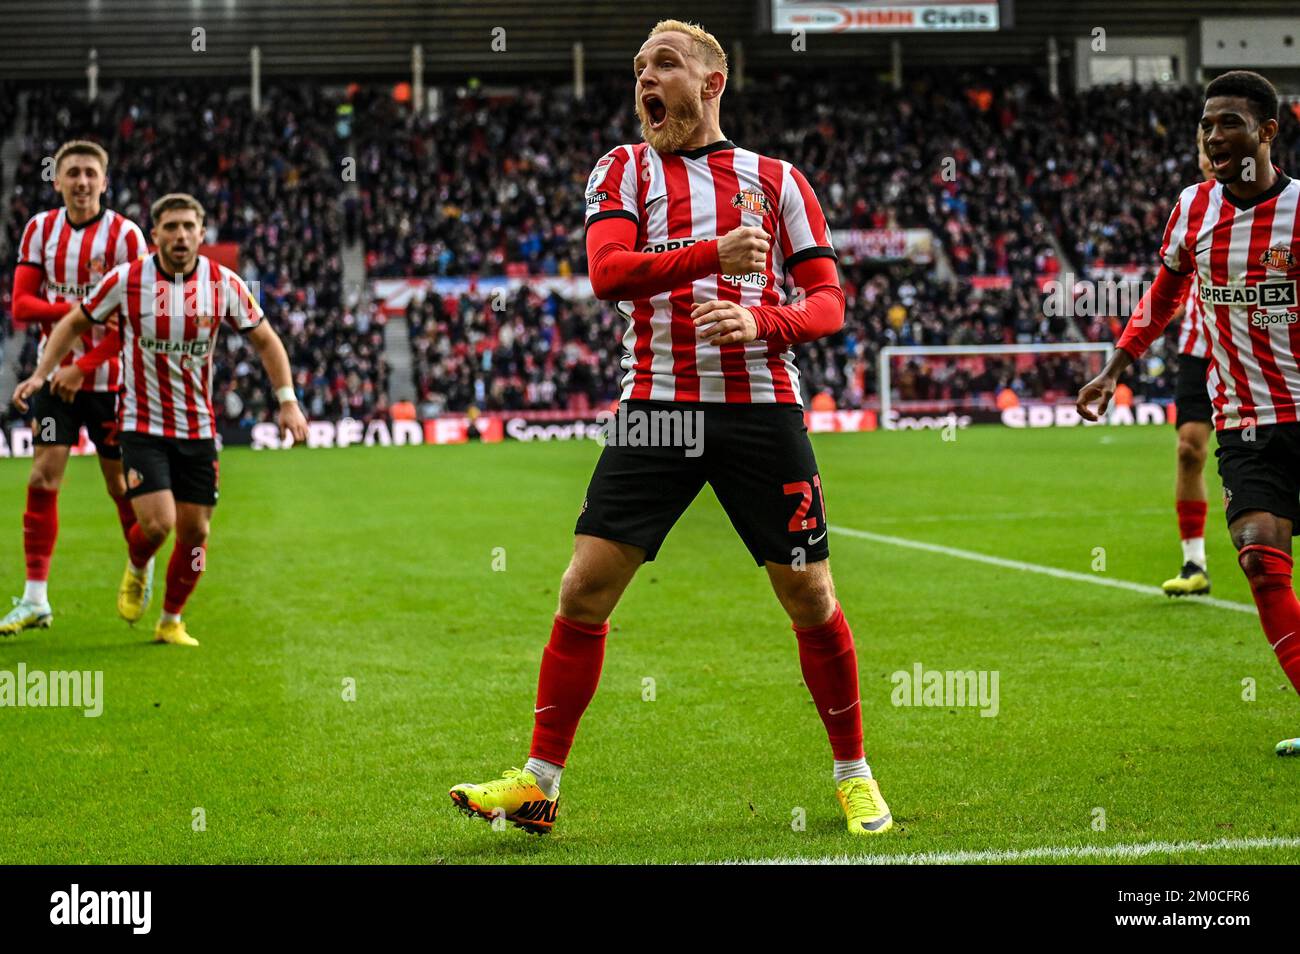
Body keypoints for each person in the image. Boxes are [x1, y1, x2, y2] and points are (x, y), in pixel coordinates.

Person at [450, 20, 892, 835]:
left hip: (763, 412)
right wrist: (709, 253)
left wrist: (766, 325)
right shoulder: (622, 168)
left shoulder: (780, 180)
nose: (644, 81)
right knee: (584, 588)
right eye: (638, 70)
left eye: (664, 65)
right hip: (656, 407)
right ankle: (540, 783)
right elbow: (607, 272)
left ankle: (853, 771)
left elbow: (829, 302)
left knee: (809, 594)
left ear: (712, 82)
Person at [1077, 71, 1300, 756]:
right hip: (1247, 423)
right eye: (1206, 124)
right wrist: (1115, 365)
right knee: (1261, 560)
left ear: (1267, 131)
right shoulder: (1193, 208)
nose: (1212, 135)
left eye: (1228, 122)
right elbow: (1166, 292)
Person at [12, 193, 309, 645]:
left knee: (196, 533)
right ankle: (137, 565)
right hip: (141, 424)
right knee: (157, 524)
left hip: (199, 429)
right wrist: (40, 374)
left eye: (189, 227)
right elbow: (73, 322)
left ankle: (171, 618)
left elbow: (266, 341)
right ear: (155, 235)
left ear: (201, 234)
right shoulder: (127, 280)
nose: (180, 235)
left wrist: (287, 400)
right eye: (170, 227)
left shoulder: (223, 283)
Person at [1, 140, 147, 637]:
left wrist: (83, 363)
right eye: (73, 173)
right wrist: (80, 316)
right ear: (57, 180)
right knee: (42, 479)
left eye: (91, 173)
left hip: (110, 382)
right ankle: (35, 599)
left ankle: (139, 567)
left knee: (118, 488)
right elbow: (20, 306)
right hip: (52, 380)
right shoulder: (40, 230)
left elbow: (134, 320)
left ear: (105, 182)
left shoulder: (127, 237)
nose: (82, 182)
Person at [1161, 127, 1217, 597]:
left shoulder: (1274, 205)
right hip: (1199, 348)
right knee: (1188, 449)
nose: (1209, 153)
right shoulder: (1192, 208)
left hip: (1262, 350)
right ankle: (1193, 562)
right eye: (1202, 146)